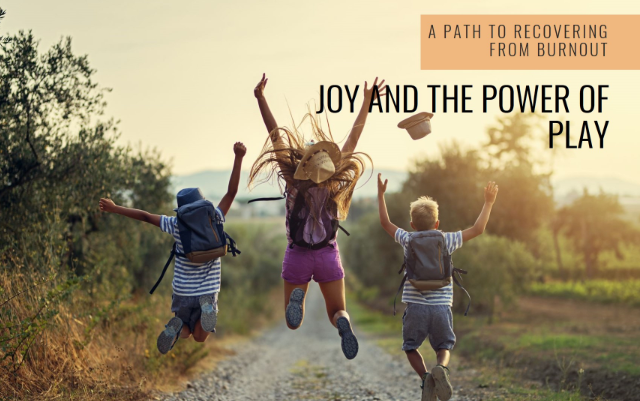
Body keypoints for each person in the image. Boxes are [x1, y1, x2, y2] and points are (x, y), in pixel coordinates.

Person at [249, 73, 385, 360]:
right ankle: (343, 324)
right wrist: (366, 102)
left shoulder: (293, 181)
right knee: (337, 310)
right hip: (327, 255)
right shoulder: (334, 181)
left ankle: (299, 298)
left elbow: (275, 135)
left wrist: (261, 99)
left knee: (291, 322)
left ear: (301, 161)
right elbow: (354, 135)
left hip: (298, 253)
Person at [99, 142, 246, 354]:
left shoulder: (175, 224)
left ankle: (176, 329)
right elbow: (231, 193)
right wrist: (238, 157)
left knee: (185, 330)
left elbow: (145, 216)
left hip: (183, 291)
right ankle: (206, 308)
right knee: (200, 337)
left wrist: (115, 208)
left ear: (182, 210)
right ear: (202, 204)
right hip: (208, 290)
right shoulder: (215, 218)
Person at [376, 173, 498, 401]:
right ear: (437, 223)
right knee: (444, 346)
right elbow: (478, 229)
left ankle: (425, 378)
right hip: (442, 306)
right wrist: (488, 202)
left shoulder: (407, 238)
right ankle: (441, 367)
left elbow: (385, 223)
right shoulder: (447, 239)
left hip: (416, 307)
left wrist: (381, 195)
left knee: (410, 347)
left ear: (412, 224)